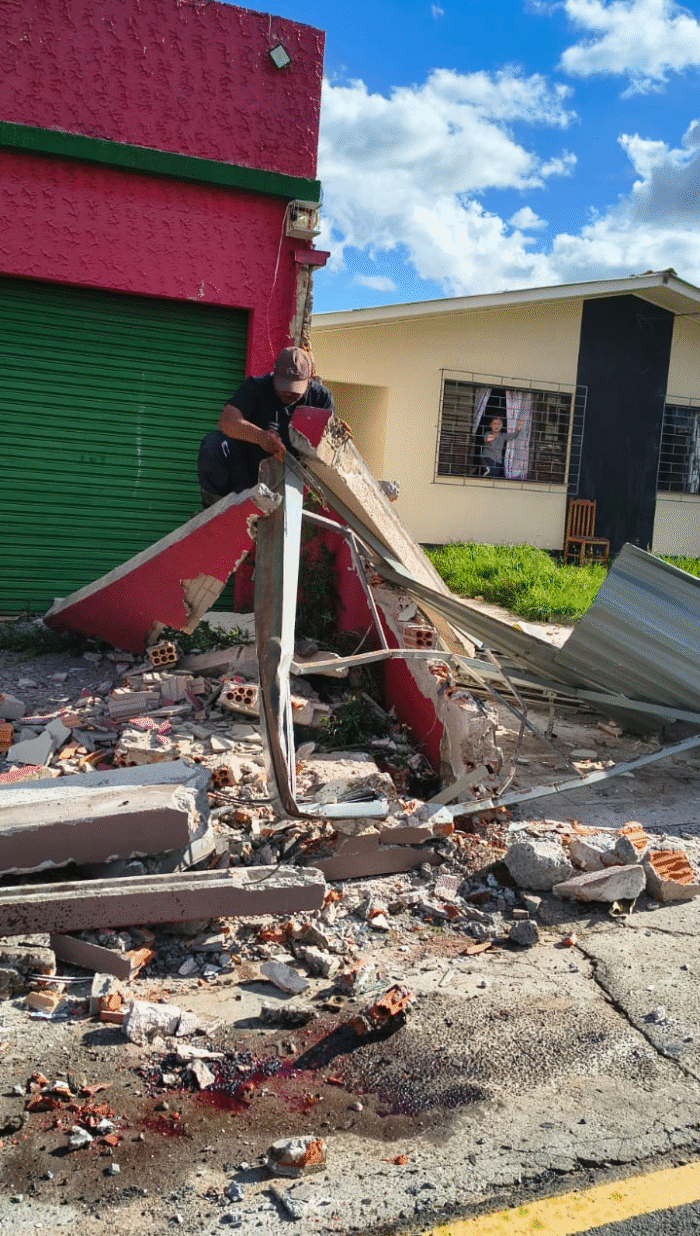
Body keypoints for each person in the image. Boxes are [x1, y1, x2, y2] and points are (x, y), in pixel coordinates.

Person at [197, 347, 334, 507]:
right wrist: (260, 437)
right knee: (213, 444)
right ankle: (215, 510)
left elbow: (327, 445)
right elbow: (227, 421)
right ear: (274, 373)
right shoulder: (256, 387)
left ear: (308, 379)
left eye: (295, 389)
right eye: (283, 386)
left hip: (291, 481)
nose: (288, 393)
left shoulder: (320, 398)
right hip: (247, 477)